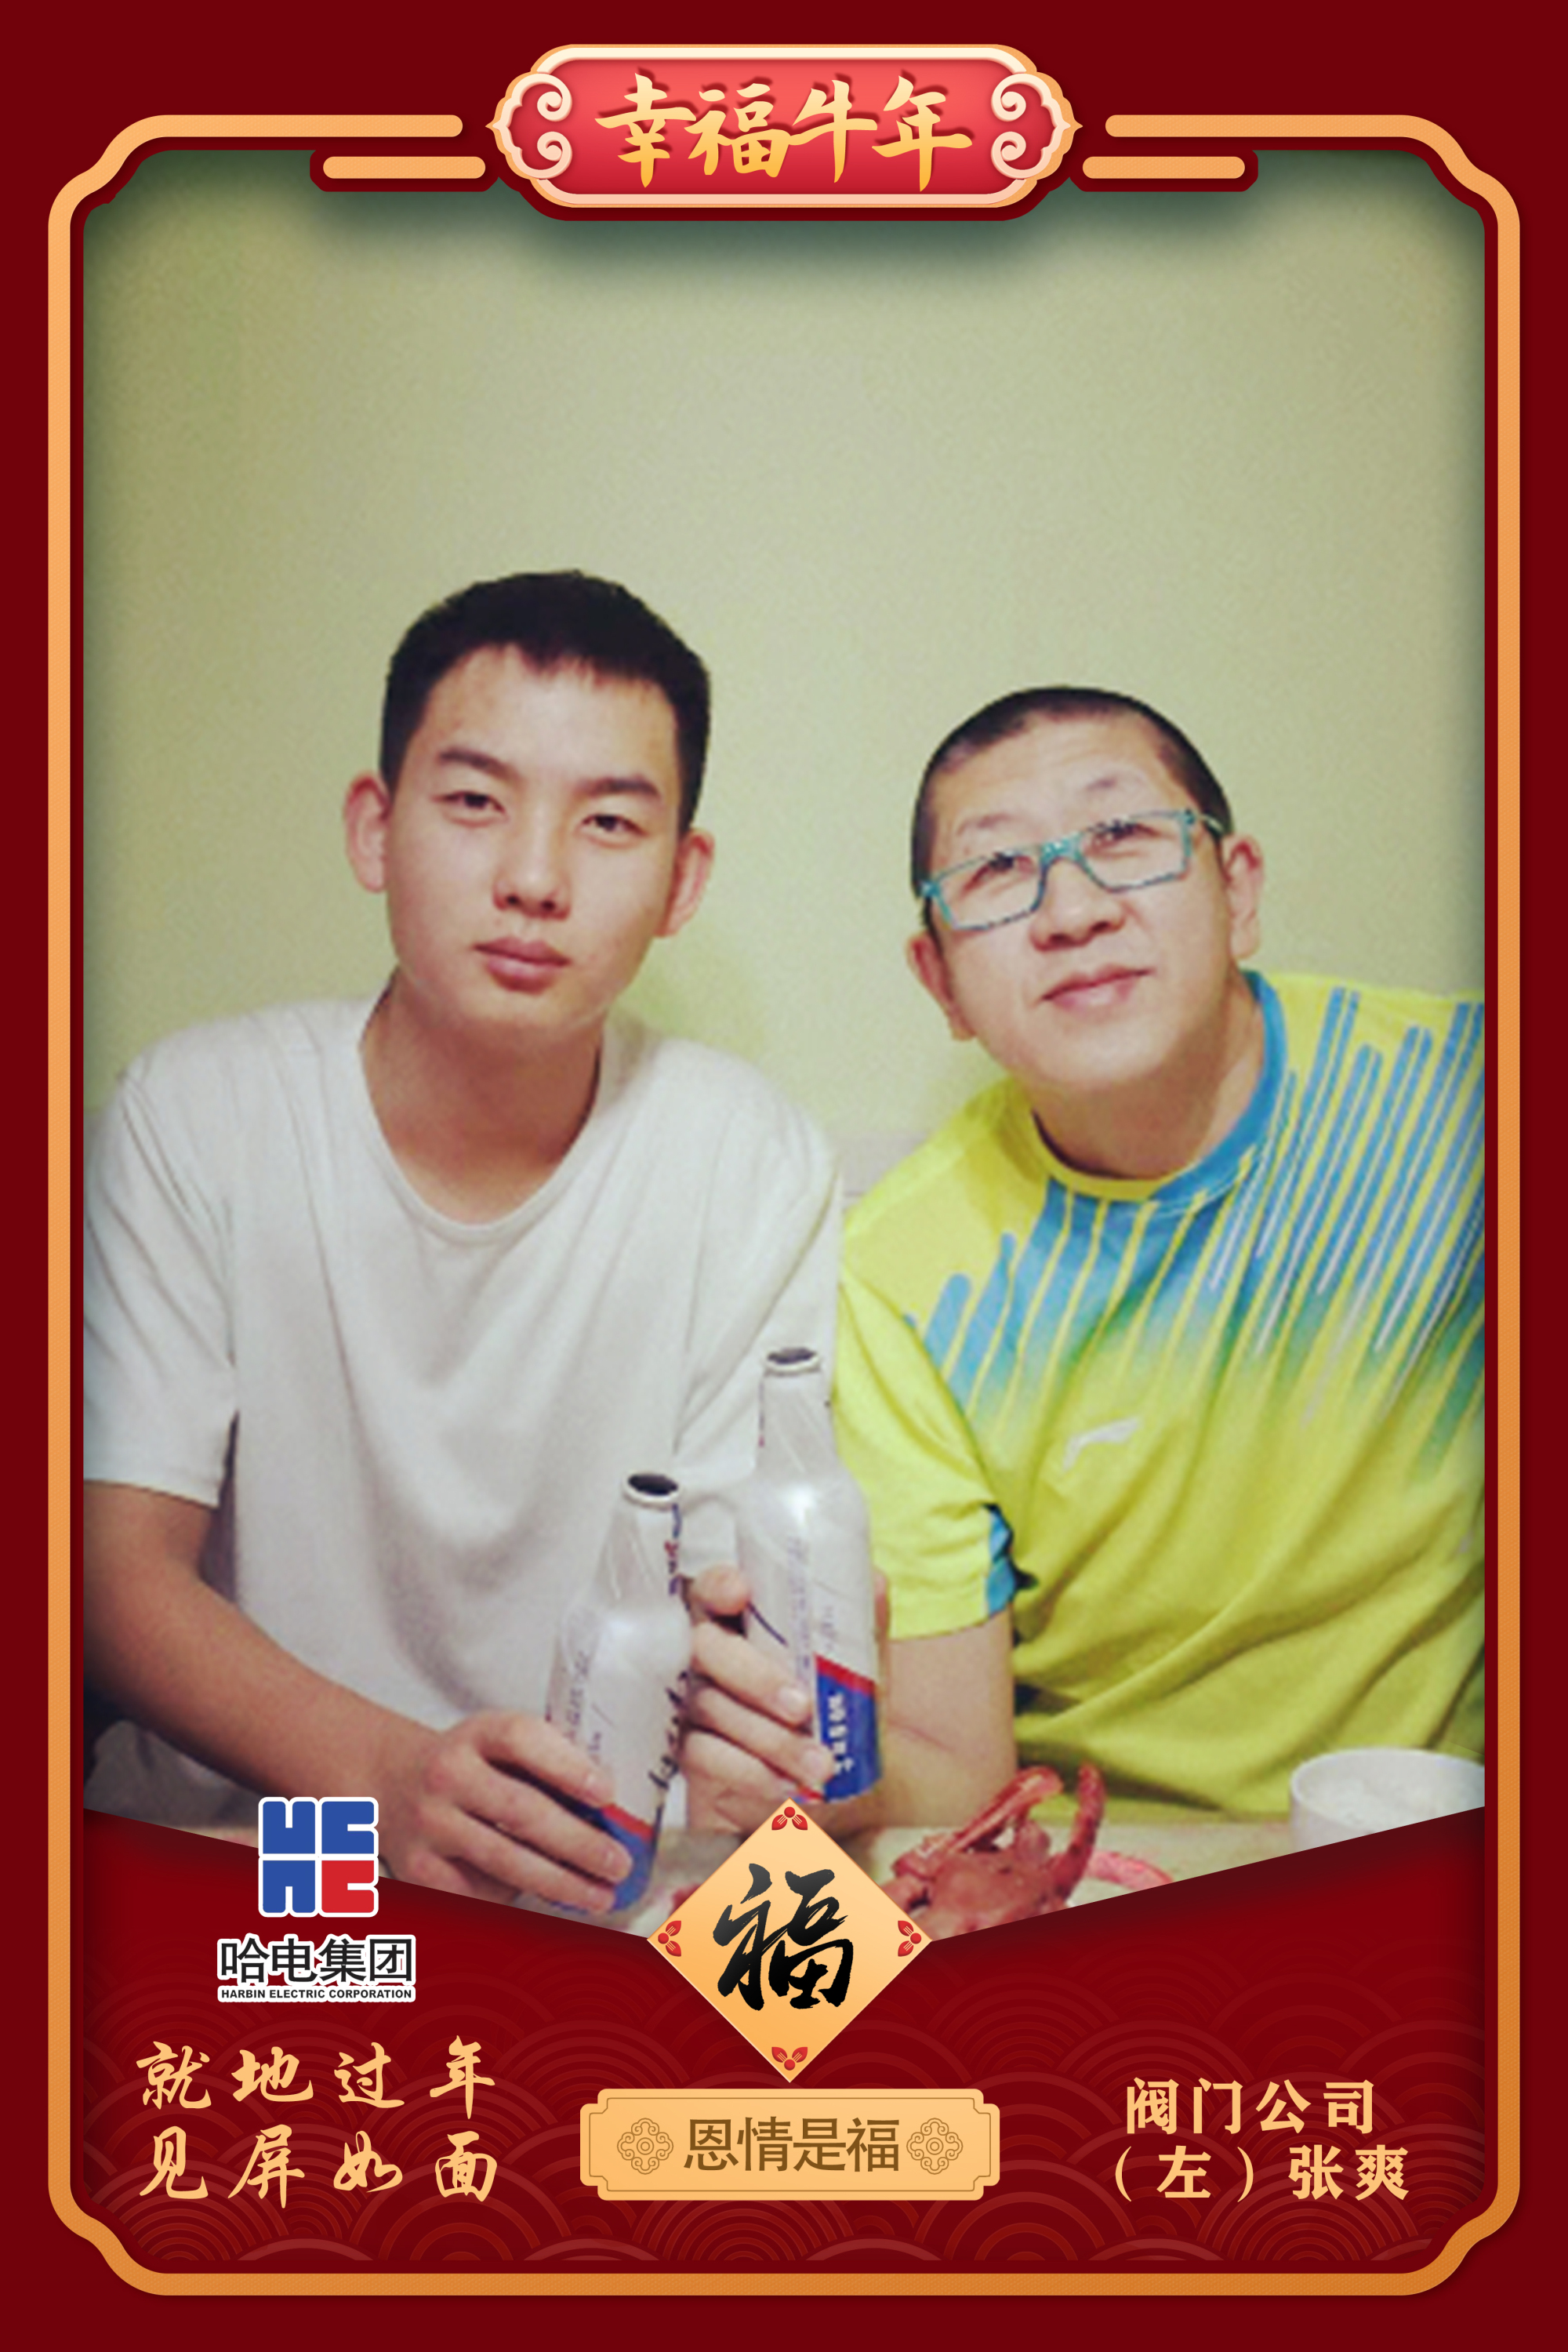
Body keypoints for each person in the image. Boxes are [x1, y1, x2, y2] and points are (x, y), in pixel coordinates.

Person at [83, 571, 842, 1910]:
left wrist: (782, 1699)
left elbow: (731, 1606)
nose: (535, 880)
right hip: (268, 1831)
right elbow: (112, 1577)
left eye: (610, 823)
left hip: (614, 1855)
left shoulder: (752, 1157)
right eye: (477, 802)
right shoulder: (198, 1114)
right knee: (318, 2047)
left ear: (683, 879)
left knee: (902, 2023)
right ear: (375, 829)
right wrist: (387, 1779)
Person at [835, 688, 1483, 1824]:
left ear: (1239, 892)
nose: (1073, 910)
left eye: (1124, 835)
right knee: (716, 1940)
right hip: (1089, 1860)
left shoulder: (1460, 1099)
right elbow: (954, 1770)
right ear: (939, 981)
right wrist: (794, 1768)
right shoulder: (895, 1276)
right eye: (997, 869)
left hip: (1429, 1833)